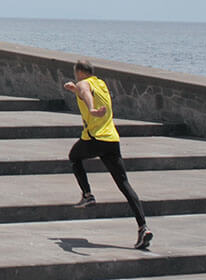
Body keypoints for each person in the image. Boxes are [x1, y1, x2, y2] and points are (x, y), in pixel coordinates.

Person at [63, 59, 153, 250]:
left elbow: (86, 93)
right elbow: (86, 90)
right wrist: (75, 90)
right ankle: (143, 227)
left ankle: (87, 195)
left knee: (74, 157)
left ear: (79, 72)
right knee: (124, 184)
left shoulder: (83, 84)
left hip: (95, 138)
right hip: (112, 140)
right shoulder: (101, 83)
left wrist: (91, 109)